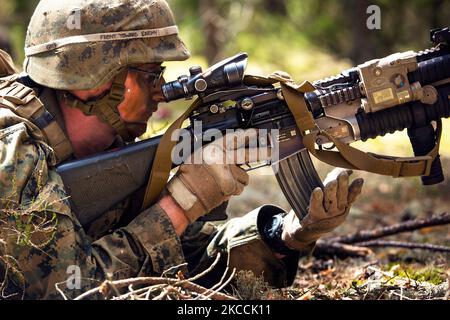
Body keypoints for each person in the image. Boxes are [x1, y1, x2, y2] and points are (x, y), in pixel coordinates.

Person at [0, 0, 363, 299]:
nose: (161, 93)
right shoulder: (10, 150)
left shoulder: (97, 153)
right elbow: (71, 290)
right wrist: (179, 205)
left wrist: (284, 235)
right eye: (150, 76)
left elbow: (181, 263)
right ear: (93, 81)